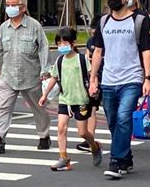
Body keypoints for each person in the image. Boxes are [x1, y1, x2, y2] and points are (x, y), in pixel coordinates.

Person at [89, 0, 150, 179]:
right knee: (113, 122)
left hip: (132, 79)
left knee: (124, 117)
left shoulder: (140, 21)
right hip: (108, 80)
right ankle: (126, 158)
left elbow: (147, 51)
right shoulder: (103, 21)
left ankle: (116, 161)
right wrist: (93, 79)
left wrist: (148, 78)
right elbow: (98, 51)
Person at [0, 0, 51, 154]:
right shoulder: (3, 27)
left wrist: (45, 69)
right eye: (8, 5)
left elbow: (44, 47)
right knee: (3, 108)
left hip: (30, 76)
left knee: (38, 108)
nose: (9, 8)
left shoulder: (34, 26)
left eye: (13, 5)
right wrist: (0, 71)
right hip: (8, 76)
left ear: (23, 8)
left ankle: (44, 135)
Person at [40, 27, 103, 171]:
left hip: (81, 100)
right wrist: (44, 95)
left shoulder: (82, 59)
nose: (62, 46)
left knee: (83, 132)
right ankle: (63, 158)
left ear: (73, 42)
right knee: (61, 128)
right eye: (59, 43)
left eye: (65, 43)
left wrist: (94, 86)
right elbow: (54, 78)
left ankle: (95, 146)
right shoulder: (60, 60)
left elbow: (92, 75)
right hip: (65, 99)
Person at [76, 15, 103, 152]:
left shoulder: (107, 40)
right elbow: (87, 58)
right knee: (92, 108)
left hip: (108, 77)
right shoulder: (90, 41)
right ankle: (89, 138)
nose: (94, 33)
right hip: (93, 77)